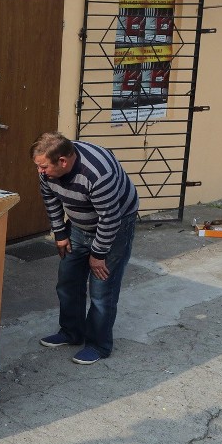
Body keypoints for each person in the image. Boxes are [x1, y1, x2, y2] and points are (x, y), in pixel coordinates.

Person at [30, 131, 138, 365]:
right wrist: (60, 233)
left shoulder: (98, 174)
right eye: (38, 166)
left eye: (44, 167)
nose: (40, 172)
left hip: (116, 225)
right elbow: (50, 199)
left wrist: (98, 255)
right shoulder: (48, 168)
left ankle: (99, 345)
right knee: (68, 280)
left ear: (63, 161)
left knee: (102, 290)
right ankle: (71, 332)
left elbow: (110, 219)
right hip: (79, 224)